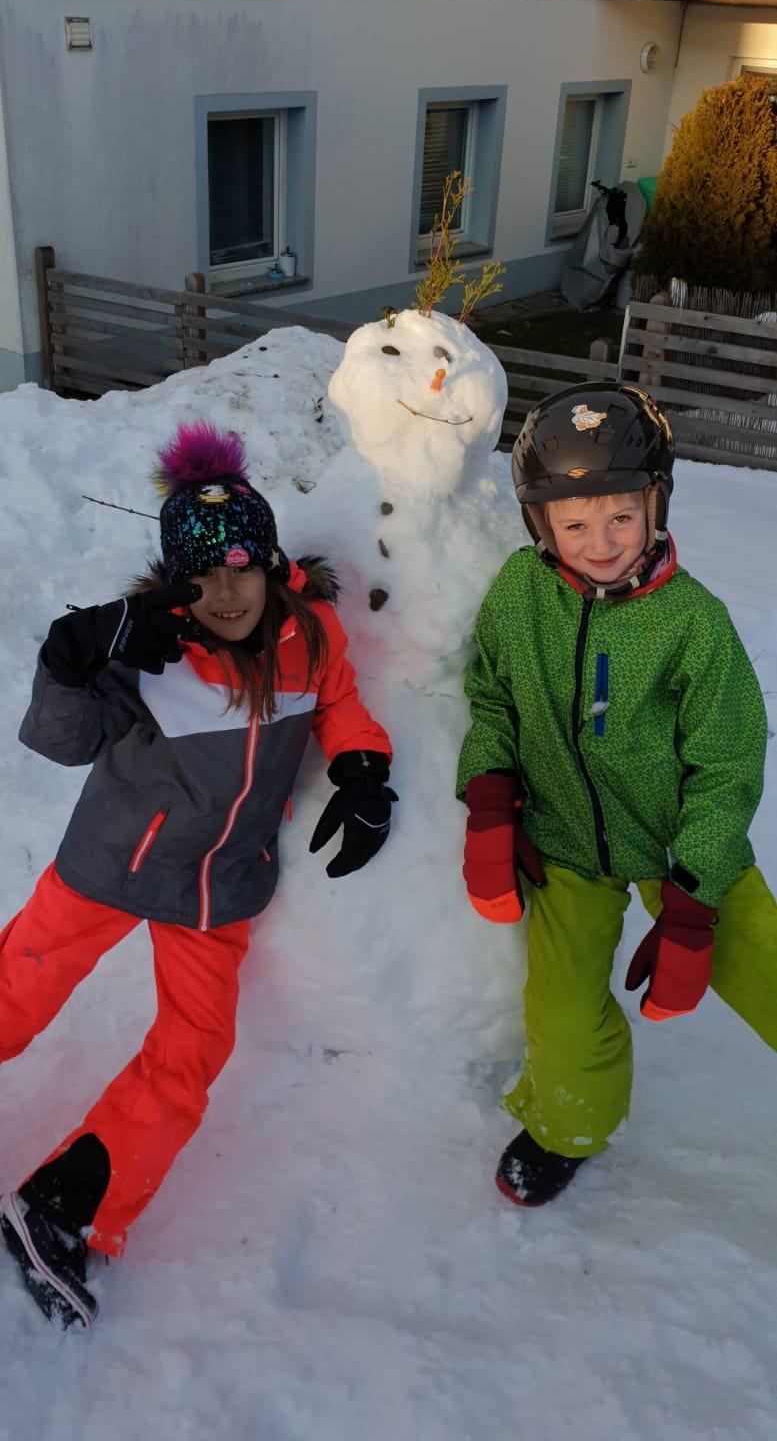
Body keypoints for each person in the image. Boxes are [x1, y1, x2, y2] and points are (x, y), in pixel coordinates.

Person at [0, 421, 395, 1327]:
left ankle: (63, 1206)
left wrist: (362, 768)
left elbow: (341, 707)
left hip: (218, 887)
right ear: (176, 581)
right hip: (107, 865)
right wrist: (70, 661)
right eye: (201, 574)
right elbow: (58, 744)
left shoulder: (312, 638)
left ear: (272, 565)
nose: (225, 590)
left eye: (243, 565)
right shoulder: (148, 648)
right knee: (17, 991)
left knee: (194, 1053)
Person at [457, 382, 776, 1209]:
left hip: (682, 843)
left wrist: (696, 900)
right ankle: (567, 1126)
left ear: (654, 504)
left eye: (620, 518)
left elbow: (728, 763)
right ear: (539, 525)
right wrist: (490, 799)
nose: (599, 543)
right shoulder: (517, 598)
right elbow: (491, 697)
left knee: (769, 973)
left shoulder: (692, 624)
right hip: (564, 845)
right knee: (558, 1017)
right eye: (573, 524)